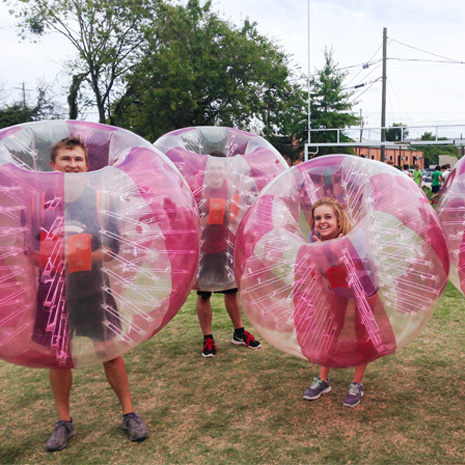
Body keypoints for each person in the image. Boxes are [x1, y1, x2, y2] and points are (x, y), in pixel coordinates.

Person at [31, 137, 148, 451]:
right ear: (52, 165)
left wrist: (77, 255)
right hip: (53, 293)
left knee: (110, 352)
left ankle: (129, 413)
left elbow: (114, 249)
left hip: (94, 289)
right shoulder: (39, 202)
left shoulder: (100, 201)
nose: (73, 164)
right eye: (66, 158)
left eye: (78, 159)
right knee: (59, 358)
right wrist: (53, 256)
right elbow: (29, 251)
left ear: (87, 165)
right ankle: (64, 422)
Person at [302, 198, 370, 408]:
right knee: (332, 327)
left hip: (364, 285)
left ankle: (357, 383)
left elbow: (361, 268)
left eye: (328, 217)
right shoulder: (315, 239)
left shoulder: (353, 239)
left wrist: (341, 250)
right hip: (337, 285)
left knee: (362, 330)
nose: (322, 221)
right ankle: (323, 379)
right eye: (317, 218)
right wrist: (322, 253)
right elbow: (320, 271)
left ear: (339, 221)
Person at [196, 151, 261, 357]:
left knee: (231, 291)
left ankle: (239, 333)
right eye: (212, 167)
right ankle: (208, 338)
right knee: (204, 293)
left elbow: (237, 218)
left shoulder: (232, 188)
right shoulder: (198, 190)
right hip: (205, 248)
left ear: (225, 168)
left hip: (226, 246)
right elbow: (191, 223)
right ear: (207, 169)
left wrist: (227, 214)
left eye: (219, 167)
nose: (216, 171)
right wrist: (207, 219)